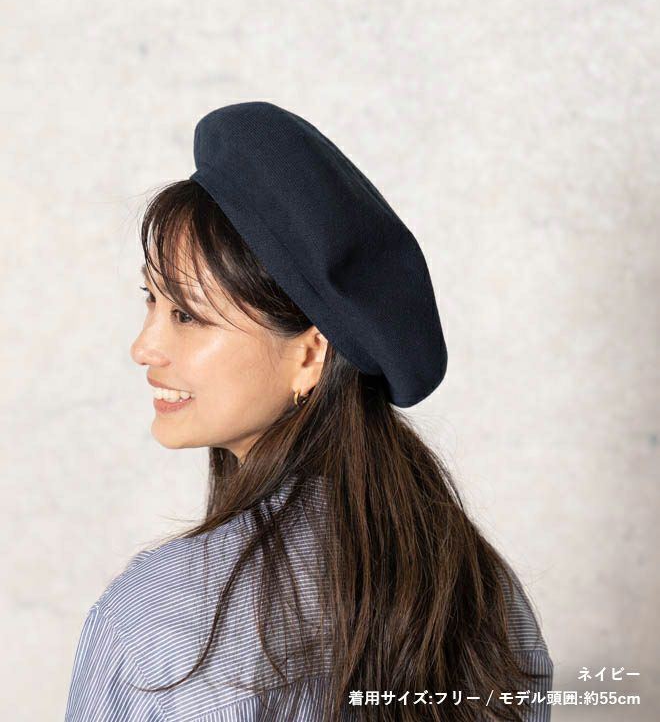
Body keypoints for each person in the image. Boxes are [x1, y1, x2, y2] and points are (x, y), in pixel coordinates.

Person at [64, 102, 553, 721]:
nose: (144, 347)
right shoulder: (482, 592)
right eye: (150, 300)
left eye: (186, 315)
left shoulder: (162, 619)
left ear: (310, 353)